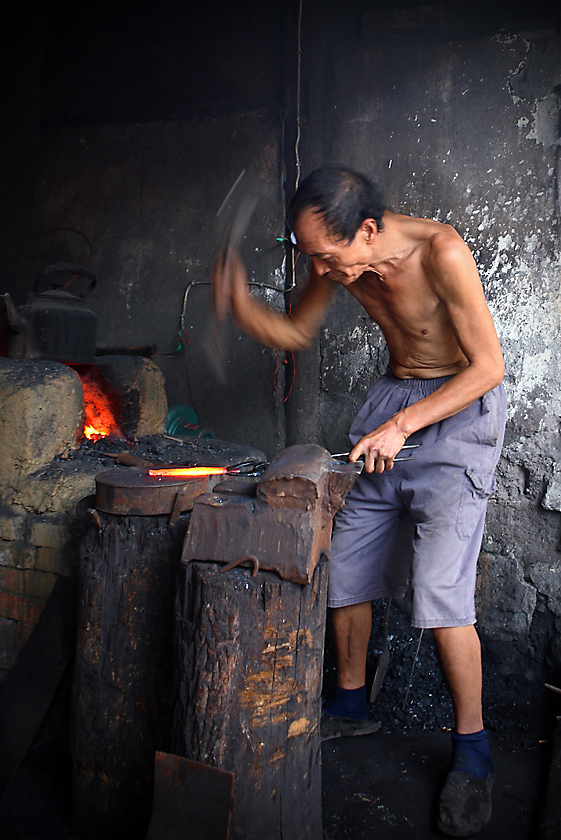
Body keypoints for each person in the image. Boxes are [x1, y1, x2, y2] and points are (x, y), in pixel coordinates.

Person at [212, 165, 506, 838]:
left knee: (439, 595)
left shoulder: (442, 252)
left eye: (326, 254)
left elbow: (488, 365)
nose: (320, 268)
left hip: (458, 410)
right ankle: (349, 705)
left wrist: (405, 426)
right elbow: (292, 332)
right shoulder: (340, 259)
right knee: (341, 570)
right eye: (309, 253)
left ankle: (473, 751)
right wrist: (240, 304)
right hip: (393, 401)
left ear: (368, 229)